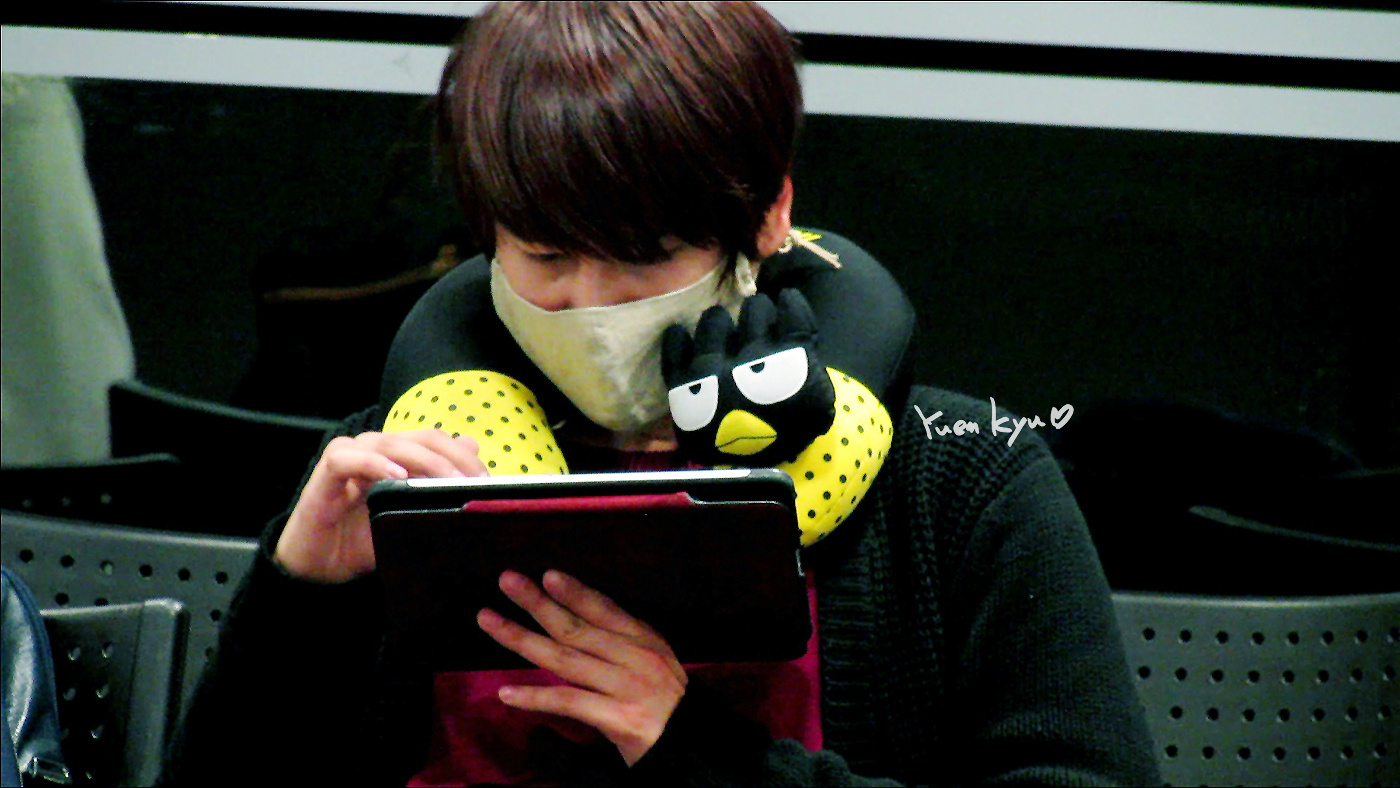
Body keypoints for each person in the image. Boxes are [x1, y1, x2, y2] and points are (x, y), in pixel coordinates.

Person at [161, 3, 1159, 785]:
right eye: (545, 256)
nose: (593, 305)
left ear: (768, 213)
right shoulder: (407, 471)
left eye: (643, 257)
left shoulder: (957, 477)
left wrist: (691, 750)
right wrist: (299, 600)